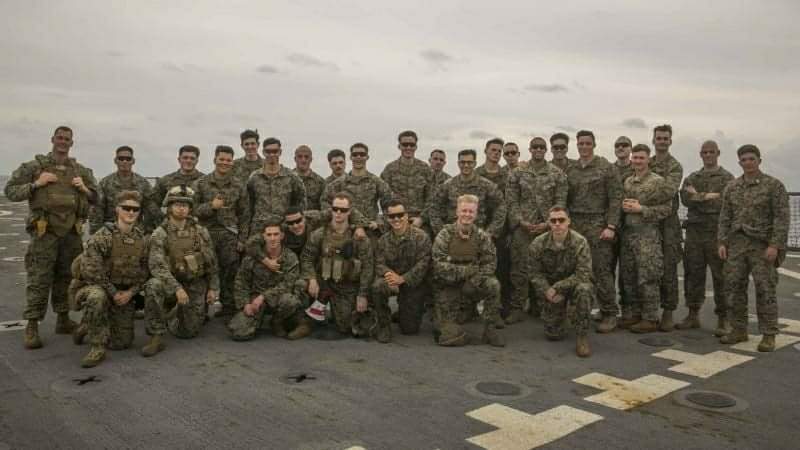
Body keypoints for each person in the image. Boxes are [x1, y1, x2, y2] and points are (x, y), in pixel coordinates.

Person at [4, 125, 98, 349]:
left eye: (67, 139)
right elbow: (10, 191)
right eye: (60, 138)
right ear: (53, 140)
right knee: (39, 278)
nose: (63, 141)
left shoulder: (81, 171)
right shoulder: (35, 167)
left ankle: (63, 320)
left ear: (72, 143)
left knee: (68, 276)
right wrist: (37, 183)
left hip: (71, 233)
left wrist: (84, 188)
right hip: (44, 233)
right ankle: (32, 325)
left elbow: (96, 198)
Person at [718, 145, 789, 352]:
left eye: (751, 159)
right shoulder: (732, 187)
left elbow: (781, 218)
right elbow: (725, 217)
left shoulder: (773, 186)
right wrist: (721, 242)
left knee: (765, 289)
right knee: (733, 288)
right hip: (736, 244)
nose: (747, 162)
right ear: (739, 162)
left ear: (759, 160)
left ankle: (768, 334)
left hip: (762, 244)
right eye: (744, 159)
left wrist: (775, 245)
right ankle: (738, 330)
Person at [71, 191, 150, 367]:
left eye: (135, 209)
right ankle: (96, 346)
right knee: (97, 298)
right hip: (97, 287)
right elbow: (92, 271)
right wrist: (114, 293)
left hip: (124, 292)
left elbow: (145, 272)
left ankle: (86, 326)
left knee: (121, 344)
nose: (131, 212)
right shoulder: (103, 236)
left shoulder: (141, 240)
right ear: (117, 210)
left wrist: (131, 293)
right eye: (126, 208)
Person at [141, 185, 219, 356]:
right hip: (170, 284)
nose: (181, 208)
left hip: (193, 281)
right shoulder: (160, 234)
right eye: (177, 204)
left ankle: (174, 314)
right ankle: (156, 335)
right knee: (153, 286)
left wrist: (213, 287)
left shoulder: (200, 232)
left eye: (185, 205)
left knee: (188, 332)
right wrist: (176, 288)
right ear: (169, 208)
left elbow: (210, 261)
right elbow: (157, 266)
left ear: (190, 208)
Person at [301, 193, 385, 341]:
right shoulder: (319, 234)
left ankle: (339, 312)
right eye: (335, 209)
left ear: (350, 212)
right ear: (331, 210)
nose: (339, 213)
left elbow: (367, 267)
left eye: (343, 210)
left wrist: (362, 295)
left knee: (345, 327)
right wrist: (312, 278)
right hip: (323, 283)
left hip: (347, 286)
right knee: (300, 285)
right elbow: (307, 258)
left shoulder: (359, 238)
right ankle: (303, 320)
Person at [505, 136, 568, 324]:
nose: (538, 150)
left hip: (548, 229)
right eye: (535, 147)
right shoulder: (518, 172)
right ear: (530, 149)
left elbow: (561, 202)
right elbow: (511, 200)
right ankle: (517, 307)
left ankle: (542, 306)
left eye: (542, 147)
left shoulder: (557, 174)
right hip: (522, 228)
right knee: (519, 269)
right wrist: (520, 221)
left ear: (546, 150)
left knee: (547, 269)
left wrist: (548, 223)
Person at [565, 130, 622, 333]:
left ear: (594, 145)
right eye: (580, 143)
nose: (584, 146)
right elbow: (565, 197)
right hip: (575, 224)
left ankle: (609, 313)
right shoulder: (571, 169)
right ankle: (578, 309)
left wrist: (611, 226)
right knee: (575, 269)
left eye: (587, 143)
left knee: (601, 270)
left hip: (598, 223)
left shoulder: (606, 167)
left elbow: (616, 198)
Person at [677, 140, 735, 335]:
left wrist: (699, 196)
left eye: (711, 152)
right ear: (700, 154)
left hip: (717, 233)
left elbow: (726, 201)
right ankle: (693, 315)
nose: (708, 155)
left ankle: (724, 318)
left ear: (718, 153)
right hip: (695, 232)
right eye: (705, 152)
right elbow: (685, 199)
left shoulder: (728, 178)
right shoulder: (693, 177)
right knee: (693, 274)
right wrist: (709, 196)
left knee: (721, 276)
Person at [431, 194, 504, 347]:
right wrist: (467, 271)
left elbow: (490, 262)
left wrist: (474, 280)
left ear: (476, 214)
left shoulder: (482, 236)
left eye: (471, 212)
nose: (467, 215)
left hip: (472, 284)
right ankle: (460, 314)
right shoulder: (445, 235)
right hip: (449, 285)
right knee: (447, 335)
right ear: (457, 212)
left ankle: (489, 330)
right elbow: (439, 266)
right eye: (464, 211)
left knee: (493, 285)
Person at [620, 144, 673, 333]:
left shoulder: (658, 182)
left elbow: (667, 209)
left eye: (642, 158)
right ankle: (634, 314)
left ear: (648, 159)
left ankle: (650, 318)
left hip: (647, 235)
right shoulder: (628, 182)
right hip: (629, 234)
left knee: (648, 277)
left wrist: (642, 209)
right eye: (635, 158)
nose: (638, 161)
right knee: (629, 276)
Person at [228, 220, 311, 341]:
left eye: (276, 234)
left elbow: (287, 284)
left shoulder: (290, 257)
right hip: (255, 298)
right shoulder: (252, 258)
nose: (273, 238)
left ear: (282, 236)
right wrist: (245, 304)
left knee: (290, 301)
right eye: (269, 235)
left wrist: (263, 297)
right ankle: (256, 320)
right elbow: (241, 282)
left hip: (278, 298)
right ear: (263, 236)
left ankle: (277, 321)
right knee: (239, 333)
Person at [192, 145, 249, 317]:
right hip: (205, 234)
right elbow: (191, 210)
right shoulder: (201, 184)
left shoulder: (239, 185)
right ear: (215, 160)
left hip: (229, 235)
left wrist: (242, 239)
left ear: (232, 162)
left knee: (230, 271)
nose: (225, 163)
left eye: (228, 160)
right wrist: (211, 206)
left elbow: (244, 214)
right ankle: (199, 309)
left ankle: (228, 308)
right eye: (221, 159)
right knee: (202, 271)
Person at [529, 207, 593, 357]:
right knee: (553, 335)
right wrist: (547, 290)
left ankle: (582, 337)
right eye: (553, 221)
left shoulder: (580, 242)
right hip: (550, 289)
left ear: (568, 222)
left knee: (585, 289)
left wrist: (559, 287)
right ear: (549, 223)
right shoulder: (538, 243)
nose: (557, 224)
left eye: (561, 220)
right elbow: (534, 273)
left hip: (572, 285)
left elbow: (583, 273)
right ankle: (563, 315)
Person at [372, 199, 432, 336]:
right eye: (392, 216)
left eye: (400, 215)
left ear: (406, 216)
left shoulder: (421, 237)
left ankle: (404, 311)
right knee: (377, 286)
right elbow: (379, 264)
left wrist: (403, 278)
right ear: (387, 219)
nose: (396, 219)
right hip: (392, 281)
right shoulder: (383, 240)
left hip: (413, 284)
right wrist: (391, 276)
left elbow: (424, 264)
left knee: (409, 330)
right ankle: (383, 325)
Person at [649, 124, 684, 330]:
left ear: (670, 141)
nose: (662, 141)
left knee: (668, 269)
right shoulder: (647, 162)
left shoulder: (675, 166)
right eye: (659, 138)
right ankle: (649, 311)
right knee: (648, 268)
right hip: (648, 223)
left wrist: (644, 194)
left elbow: (668, 191)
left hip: (668, 225)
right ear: (653, 140)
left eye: (665, 138)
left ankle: (668, 311)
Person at [428, 149, 506, 239]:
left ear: (475, 164)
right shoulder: (448, 185)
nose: (466, 165)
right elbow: (434, 207)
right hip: (452, 236)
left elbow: (501, 206)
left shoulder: (486, 185)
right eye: (462, 162)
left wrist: (490, 232)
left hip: (478, 236)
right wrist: (442, 232)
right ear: (458, 163)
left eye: (469, 162)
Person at [242, 137, 307, 240]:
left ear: (280, 152)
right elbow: (247, 207)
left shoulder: (292, 177)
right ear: (263, 152)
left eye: (275, 151)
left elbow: (301, 204)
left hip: (284, 229)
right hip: (258, 230)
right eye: (268, 151)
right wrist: (244, 236)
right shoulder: (254, 177)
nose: (272, 154)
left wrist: (294, 224)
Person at [322, 143, 393, 235]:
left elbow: (391, 204)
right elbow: (324, 201)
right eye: (355, 154)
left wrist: (379, 222)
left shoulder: (376, 182)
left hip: (369, 231)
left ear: (367, 157)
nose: (358, 157)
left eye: (362, 154)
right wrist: (337, 219)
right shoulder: (338, 184)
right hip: (344, 232)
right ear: (351, 157)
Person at [90, 146, 159, 234]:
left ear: (133, 161)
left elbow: (151, 209)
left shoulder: (143, 184)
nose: (124, 161)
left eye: (128, 159)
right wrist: (97, 231)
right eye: (121, 158)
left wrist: (146, 229)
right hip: (110, 231)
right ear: (115, 160)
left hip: (136, 232)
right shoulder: (105, 183)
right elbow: (97, 208)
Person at [380, 130, 433, 228]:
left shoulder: (425, 169)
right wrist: (393, 217)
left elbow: (431, 198)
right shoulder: (389, 169)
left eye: (411, 145)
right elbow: (384, 199)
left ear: (416, 147)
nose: (408, 147)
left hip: (419, 221)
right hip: (395, 219)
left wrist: (421, 218)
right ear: (399, 146)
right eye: (405, 144)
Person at [612, 136, 635, 327]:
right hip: (610, 225)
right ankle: (608, 309)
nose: (621, 148)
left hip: (630, 227)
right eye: (618, 146)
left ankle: (628, 311)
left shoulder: (637, 169)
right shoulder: (608, 170)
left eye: (624, 146)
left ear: (630, 149)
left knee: (628, 272)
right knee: (606, 268)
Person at [150, 145, 205, 223]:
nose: (188, 161)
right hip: (171, 228)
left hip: (197, 228)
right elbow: (152, 203)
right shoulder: (166, 180)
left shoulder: (204, 181)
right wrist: (162, 218)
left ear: (197, 161)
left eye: (192, 158)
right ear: (179, 159)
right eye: (185, 157)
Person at [293, 145, 326, 210]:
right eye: (300, 157)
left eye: (306, 157)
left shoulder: (320, 182)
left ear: (311, 159)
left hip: (313, 219)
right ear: (295, 159)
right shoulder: (287, 179)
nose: (303, 160)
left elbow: (323, 207)